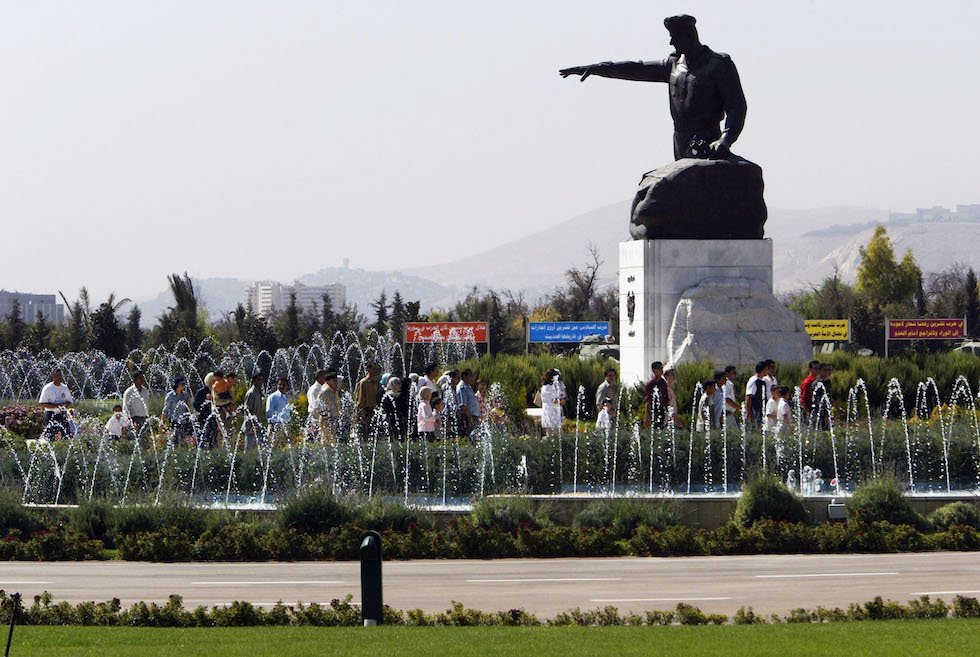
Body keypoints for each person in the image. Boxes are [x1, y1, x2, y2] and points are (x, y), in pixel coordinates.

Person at [559, 14, 747, 161]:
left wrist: (725, 139)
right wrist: (596, 68)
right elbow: (635, 69)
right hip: (679, 140)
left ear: (689, 36)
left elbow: (736, 106)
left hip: (706, 140)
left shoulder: (718, 64)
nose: (671, 42)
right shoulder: (673, 65)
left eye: (674, 37)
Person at [38, 368, 74, 440]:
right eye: (57, 375)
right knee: (50, 436)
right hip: (51, 414)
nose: (59, 377)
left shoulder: (64, 387)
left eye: (60, 375)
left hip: (61, 414)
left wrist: (65, 406)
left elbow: (69, 401)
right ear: (53, 376)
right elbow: (42, 403)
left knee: (67, 434)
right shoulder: (48, 388)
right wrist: (55, 406)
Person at [162, 376, 193, 444]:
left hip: (184, 420)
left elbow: (188, 408)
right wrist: (162, 422)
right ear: (176, 385)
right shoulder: (170, 396)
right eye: (181, 384)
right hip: (174, 420)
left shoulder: (185, 395)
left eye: (184, 384)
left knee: (183, 437)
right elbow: (165, 409)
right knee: (176, 438)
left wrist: (189, 403)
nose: (183, 386)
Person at [354, 362, 381, 435]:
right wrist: (362, 415)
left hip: (372, 410)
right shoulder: (364, 382)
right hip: (365, 411)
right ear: (368, 370)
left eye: (377, 369)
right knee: (363, 433)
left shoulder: (375, 382)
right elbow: (360, 399)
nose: (376, 371)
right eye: (374, 369)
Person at [193, 372, 218, 449]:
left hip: (213, 419)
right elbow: (196, 404)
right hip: (203, 419)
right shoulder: (202, 391)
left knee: (213, 438)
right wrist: (205, 400)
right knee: (202, 438)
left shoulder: (216, 390)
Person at [265, 376, 291, 447]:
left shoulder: (287, 397)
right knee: (273, 446)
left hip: (285, 424)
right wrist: (272, 425)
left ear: (287, 386)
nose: (282, 386)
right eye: (280, 384)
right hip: (276, 425)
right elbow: (269, 411)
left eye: (284, 385)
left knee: (285, 446)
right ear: (277, 385)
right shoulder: (273, 397)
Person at [643, 362, 669, 429]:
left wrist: (668, 413)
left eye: (662, 368)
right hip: (654, 411)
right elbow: (648, 401)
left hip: (662, 411)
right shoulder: (651, 384)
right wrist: (646, 417)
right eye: (659, 368)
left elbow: (666, 399)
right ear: (654, 370)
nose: (661, 370)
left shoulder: (663, 383)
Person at [456, 368, 480, 439]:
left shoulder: (468, 387)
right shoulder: (462, 388)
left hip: (473, 416)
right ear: (464, 377)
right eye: (470, 376)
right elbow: (463, 406)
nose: (473, 378)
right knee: (471, 437)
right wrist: (470, 418)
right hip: (468, 418)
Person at [243, 373, 265, 449]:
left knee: (263, 447)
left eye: (262, 380)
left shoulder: (259, 392)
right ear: (253, 381)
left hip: (258, 425)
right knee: (249, 448)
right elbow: (247, 410)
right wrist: (252, 424)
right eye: (258, 380)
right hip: (251, 426)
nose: (261, 382)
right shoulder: (251, 393)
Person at [744, 361, 767, 429]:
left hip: (760, 409)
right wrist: (748, 412)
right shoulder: (754, 381)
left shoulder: (761, 381)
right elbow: (748, 397)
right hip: (754, 409)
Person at [540, 368, 563, 433]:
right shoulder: (550, 388)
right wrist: (562, 401)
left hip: (546, 412)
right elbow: (555, 401)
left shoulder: (544, 387)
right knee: (558, 433)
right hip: (552, 414)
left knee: (549, 434)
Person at [306, 370, 327, 437]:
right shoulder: (315, 389)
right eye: (324, 376)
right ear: (320, 377)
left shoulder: (322, 388)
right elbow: (314, 406)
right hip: (315, 419)